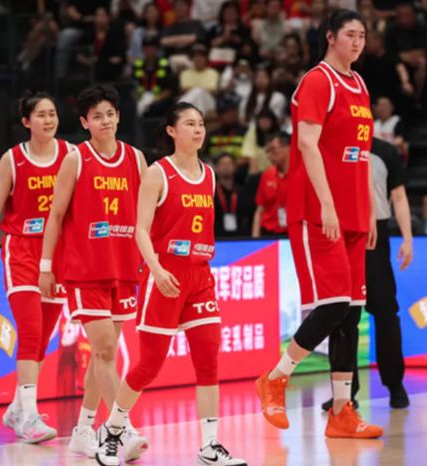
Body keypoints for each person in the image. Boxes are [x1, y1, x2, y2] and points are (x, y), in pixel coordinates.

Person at [95, 103, 246, 466]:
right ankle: (112, 430)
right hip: (163, 275)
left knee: (208, 359)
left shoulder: (209, 175)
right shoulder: (158, 173)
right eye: (190, 124)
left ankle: (210, 445)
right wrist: (157, 270)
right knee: (149, 365)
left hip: (200, 277)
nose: (198, 129)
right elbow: (140, 230)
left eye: (201, 124)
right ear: (171, 131)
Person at [255, 10, 383, 439]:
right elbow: (308, 145)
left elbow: (361, 155)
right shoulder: (317, 81)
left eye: (362, 35)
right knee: (332, 306)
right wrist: (327, 204)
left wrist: (368, 210)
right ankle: (275, 377)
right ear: (330, 37)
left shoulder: (360, 84)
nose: (357, 42)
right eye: (350, 34)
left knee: (352, 314)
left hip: (353, 214)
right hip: (317, 212)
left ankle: (342, 413)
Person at [39, 84, 148, 461]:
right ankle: (122, 429)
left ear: (119, 117)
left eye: (110, 114)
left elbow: (148, 216)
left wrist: (153, 259)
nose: (105, 121)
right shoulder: (76, 159)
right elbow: (55, 215)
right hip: (85, 271)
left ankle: (84, 429)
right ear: (85, 123)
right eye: (97, 116)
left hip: (123, 268)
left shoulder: (135, 159)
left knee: (106, 356)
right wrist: (46, 266)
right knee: (102, 350)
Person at [0, 92, 71, 443]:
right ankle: (30, 417)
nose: (49, 120)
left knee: (43, 338)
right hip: (21, 251)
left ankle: (16, 408)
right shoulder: (13, 160)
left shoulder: (71, 155)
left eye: (53, 113)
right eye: (41, 115)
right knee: (31, 332)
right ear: (26, 122)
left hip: (57, 254)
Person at [321, 137, 413, 411]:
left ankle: (395, 384)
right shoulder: (331, 146)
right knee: (342, 312)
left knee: (386, 311)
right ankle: (345, 392)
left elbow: (399, 196)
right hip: (342, 232)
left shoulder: (385, 151)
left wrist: (407, 238)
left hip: (377, 235)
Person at [252, 132, 289, 237]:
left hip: (295, 232)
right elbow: (260, 210)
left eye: (273, 150)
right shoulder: (267, 175)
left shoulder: (302, 174)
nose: (269, 156)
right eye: (267, 152)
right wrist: (255, 238)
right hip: (270, 234)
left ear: (286, 147)